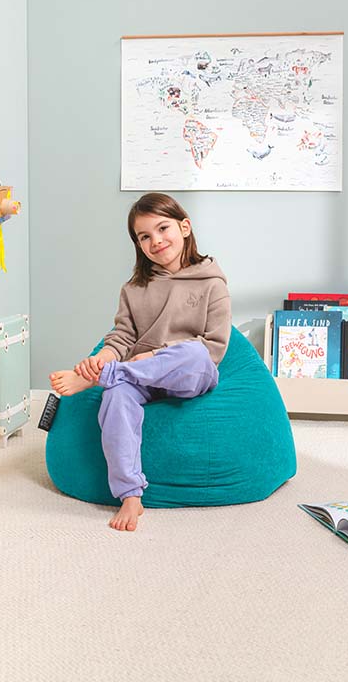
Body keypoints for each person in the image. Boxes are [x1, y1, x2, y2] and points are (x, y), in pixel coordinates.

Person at [49, 192, 231, 532]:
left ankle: (108, 375)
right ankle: (130, 494)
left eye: (163, 229)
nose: (155, 241)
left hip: (189, 373)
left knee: (193, 354)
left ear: (185, 227)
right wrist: (101, 359)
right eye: (144, 236)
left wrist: (157, 355)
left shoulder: (212, 283)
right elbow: (121, 337)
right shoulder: (134, 289)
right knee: (115, 395)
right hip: (141, 378)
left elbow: (214, 347)